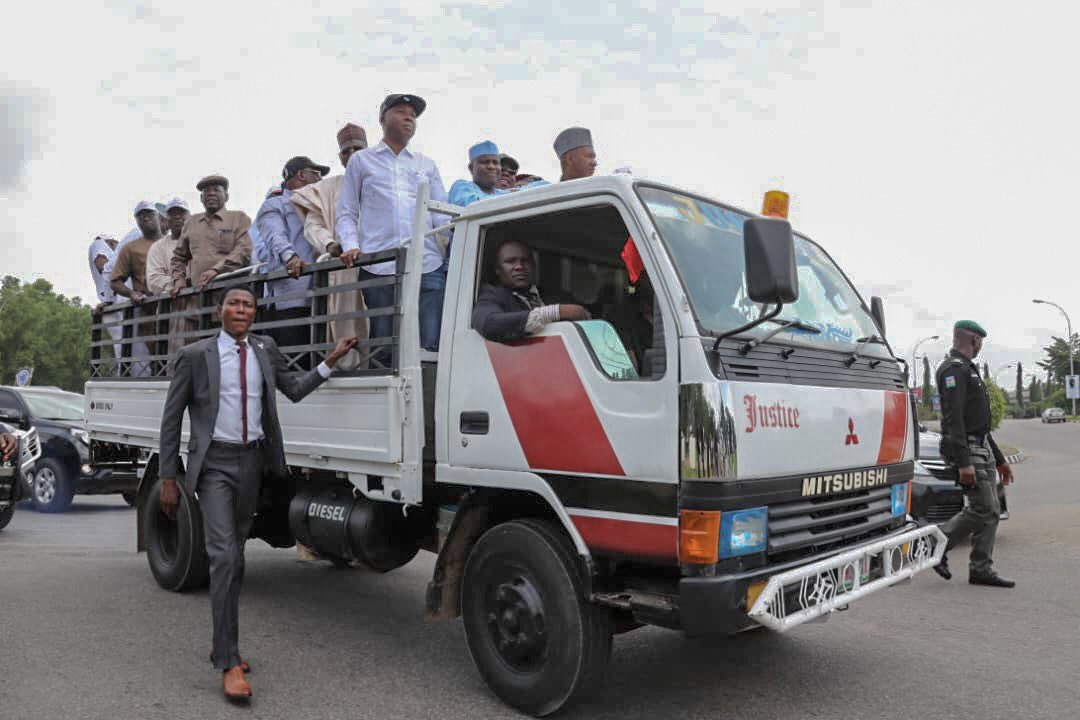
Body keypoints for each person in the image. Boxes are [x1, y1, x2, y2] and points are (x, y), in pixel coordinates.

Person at [157, 285, 358, 701]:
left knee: (238, 556)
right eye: (234, 303)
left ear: (254, 313)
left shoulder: (264, 349)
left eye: (248, 304)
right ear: (220, 311)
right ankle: (229, 662)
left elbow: (295, 389)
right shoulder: (196, 356)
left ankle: (222, 641)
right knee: (224, 556)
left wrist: (330, 362)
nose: (241, 309)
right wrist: (168, 478)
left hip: (252, 464)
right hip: (213, 466)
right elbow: (171, 418)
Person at [336, 94, 448, 353]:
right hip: (379, 264)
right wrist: (351, 246)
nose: (409, 117)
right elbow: (347, 212)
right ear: (381, 119)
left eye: (413, 114)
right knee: (385, 346)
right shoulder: (361, 160)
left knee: (430, 344)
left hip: (428, 263)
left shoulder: (426, 164)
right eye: (400, 111)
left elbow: (441, 212)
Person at [933, 320, 1016, 588]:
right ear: (974, 341)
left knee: (990, 511)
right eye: (980, 342)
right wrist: (964, 462)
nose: (980, 347)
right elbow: (954, 419)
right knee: (983, 508)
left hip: (981, 448)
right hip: (968, 450)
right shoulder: (953, 370)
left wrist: (1001, 460)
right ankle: (936, 543)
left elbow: (979, 423)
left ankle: (980, 568)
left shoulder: (968, 370)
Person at [289, 123, 369, 344]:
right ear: (340, 157)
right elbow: (312, 226)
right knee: (346, 328)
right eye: (346, 151)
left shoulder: (384, 180)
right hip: (344, 266)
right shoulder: (327, 188)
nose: (352, 154)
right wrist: (330, 245)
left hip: (383, 264)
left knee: (384, 322)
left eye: (357, 149)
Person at [256, 156, 331, 359]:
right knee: (295, 360)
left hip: (324, 294)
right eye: (316, 174)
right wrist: (291, 257)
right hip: (292, 295)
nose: (320, 179)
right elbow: (275, 236)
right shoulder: (276, 204)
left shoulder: (321, 203)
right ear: (301, 175)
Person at [472, 239, 589, 341]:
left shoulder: (559, 297)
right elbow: (489, 324)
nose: (519, 267)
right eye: (510, 261)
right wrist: (553, 312)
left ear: (533, 265)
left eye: (525, 261)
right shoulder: (493, 295)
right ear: (498, 269)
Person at [170, 175, 254, 296]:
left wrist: (216, 270)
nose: (211, 194)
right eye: (206, 191)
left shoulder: (239, 218)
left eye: (216, 190)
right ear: (201, 198)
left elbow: (243, 250)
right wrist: (179, 280)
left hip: (231, 293)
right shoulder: (191, 222)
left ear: (227, 196)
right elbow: (178, 257)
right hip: (198, 295)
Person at [110, 201, 163, 376]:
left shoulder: (174, 243)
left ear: (158, 217)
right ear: (137, 221)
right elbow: (115, 280)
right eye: (141, 216)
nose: (146, 218)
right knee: (149, 364)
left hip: (175, 311)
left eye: (149, 214)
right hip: (147, 314)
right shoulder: (130, 248)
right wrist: (131, 293)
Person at [88, 232, 123, 361]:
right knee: (124, 350)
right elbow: (104, 268)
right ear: (112, 242)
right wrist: (109, 300)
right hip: (113, 304)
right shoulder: (99, 243)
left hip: (116, 302)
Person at [146, 198, 190, 295]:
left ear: (189, 216)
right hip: (173, 303)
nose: (177, 217)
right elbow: (153, 280)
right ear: (166, 220)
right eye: (172, 214)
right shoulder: (157, 247)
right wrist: (179, 283)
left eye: (181, 213)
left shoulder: (201, 240)